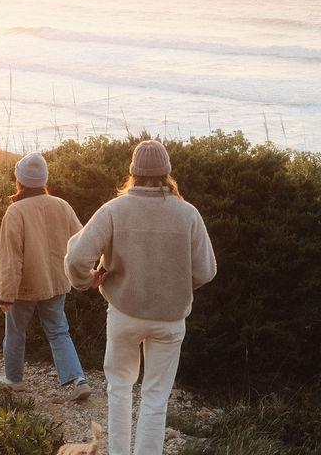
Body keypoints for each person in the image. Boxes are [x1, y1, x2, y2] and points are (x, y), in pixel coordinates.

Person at [64, 140, 217, 455]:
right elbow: (206, 271)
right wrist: (175, 287)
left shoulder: (113, 210)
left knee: (119, 390)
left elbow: (76, 257)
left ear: (132, 173)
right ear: (166, 173)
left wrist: (87, 281)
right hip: (170, 320)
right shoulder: (188, 214)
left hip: (124, 314)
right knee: (156, 398)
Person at [0, 152, 91, 401]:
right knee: (59, 331)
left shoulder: (15, 211)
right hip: (58, 282)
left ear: (20, 181)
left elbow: (10, 258)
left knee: (16, 331)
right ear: (43, 180)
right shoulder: (62, 205)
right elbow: (81, 243)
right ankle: (78, 379)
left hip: (24, 287)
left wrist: (5, 294)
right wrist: (86, 275)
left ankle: (14, 380)